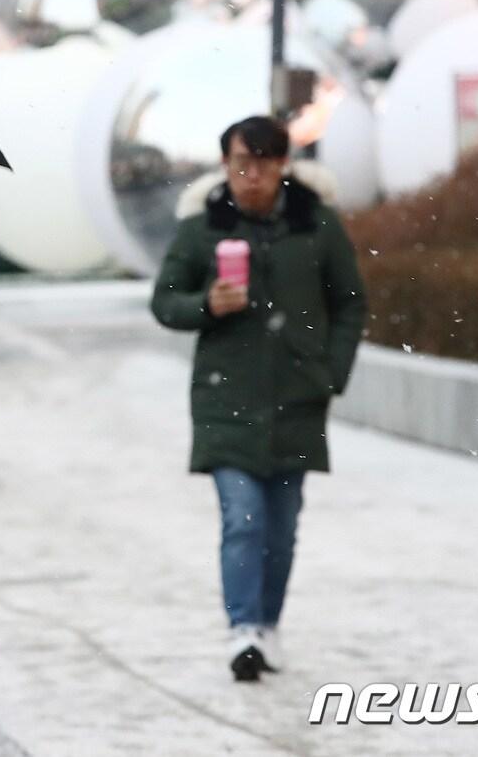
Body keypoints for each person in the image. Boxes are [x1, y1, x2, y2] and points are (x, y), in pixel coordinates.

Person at [151, 115, 366, 683]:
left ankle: (267, 626)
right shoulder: (202, 229)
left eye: (265, 163)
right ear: (225, 165)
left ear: (283, 166)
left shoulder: (317, 226)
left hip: (298, 398)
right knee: (243, 518)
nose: (252, 176)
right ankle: (243, 628)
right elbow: (164, 302)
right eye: (241, 164)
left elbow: (350, 304)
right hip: (227, 399)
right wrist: (206, 305)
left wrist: (330, 374)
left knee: (282, 525)